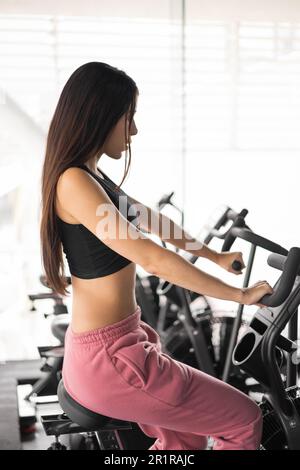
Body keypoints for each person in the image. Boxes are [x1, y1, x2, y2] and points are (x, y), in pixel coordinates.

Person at [40, 61, 272, 450]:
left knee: (185, 441)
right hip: (110, 360)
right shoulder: (74, 181)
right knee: (245, 420)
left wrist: (214, 255)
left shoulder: (93, 178)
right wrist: (239, 296)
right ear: (101, 115)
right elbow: (151, 256)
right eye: (128, 118)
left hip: (120, 348)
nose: (134, 130)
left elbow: (152, 222)